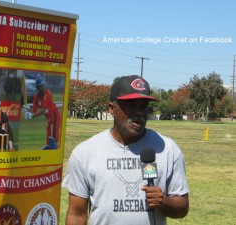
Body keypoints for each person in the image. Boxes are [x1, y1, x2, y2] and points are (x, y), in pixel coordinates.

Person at [62, 75, 189, 225]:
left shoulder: (167, 149)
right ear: (111, 108)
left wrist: (164, 201)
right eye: (130, 105)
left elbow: (182, 207)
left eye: (143, 106)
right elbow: (77, 215)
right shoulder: (84, 153)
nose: (139, 112)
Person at [24, 75, 60, 149]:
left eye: (44, 85)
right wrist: (28, 110)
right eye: (41, 86)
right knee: (49, 141)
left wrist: (32, 115)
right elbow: (34, 111)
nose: (43, 88)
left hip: (55, 116)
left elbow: (42, 110)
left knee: (53, 141)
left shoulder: (47, 93)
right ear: (38, 87)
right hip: (50, 120)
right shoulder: (36, 97)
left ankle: (54, 155)